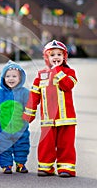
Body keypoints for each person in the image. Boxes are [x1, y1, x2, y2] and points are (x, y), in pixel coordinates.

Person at [23, 40, 78, 178]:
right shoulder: (41, 75)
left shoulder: (69, 72)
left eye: (59, 54)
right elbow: (34, 95)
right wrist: (28, 116)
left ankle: (66, 168)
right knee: (46, 144)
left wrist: (57, 70)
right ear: (47, 57)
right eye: (52, 54)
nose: (56, 57)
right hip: (48, 119)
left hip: (66, 119)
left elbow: (67, 85)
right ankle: (45, 167)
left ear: (64, 57)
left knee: (66, 144)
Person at [0, 60, 30, 174]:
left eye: (14, 76)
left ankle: (20, 164)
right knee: (4, 147)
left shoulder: (24, 92)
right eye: (8, 76)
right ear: (3, 78)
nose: (11, 79)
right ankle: (6, 165)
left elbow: (30, 106)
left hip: (21, 128)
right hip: (3, 129)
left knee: (22, 146)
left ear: (20, 78)